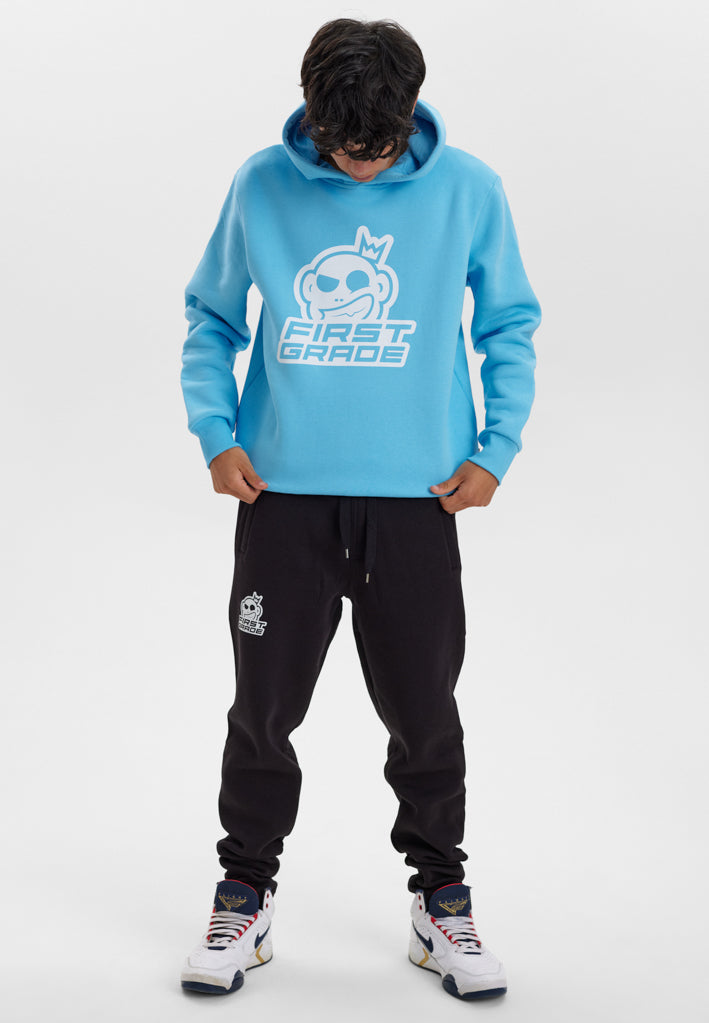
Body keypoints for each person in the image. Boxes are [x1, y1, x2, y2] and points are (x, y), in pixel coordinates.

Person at [179, 17, 541, 1002]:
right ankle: (244, 893)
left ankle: (440, 898)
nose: (362, 164)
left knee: (424, 713)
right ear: (313, 115)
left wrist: (495, 448)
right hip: (283, 501)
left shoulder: (468, 189)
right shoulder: (261, 183)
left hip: (417, 504)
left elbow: (509, 323)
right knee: (262, 710)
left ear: (409, 112)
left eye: (379, 147)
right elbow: (211, 317)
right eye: (344, 148)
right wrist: (215, 432)